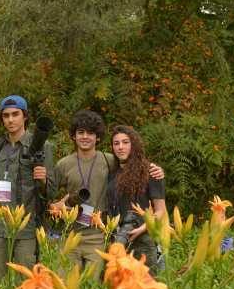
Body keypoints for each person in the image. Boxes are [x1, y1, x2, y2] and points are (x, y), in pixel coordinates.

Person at [52, 110, 163, 278]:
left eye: (90, 133)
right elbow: (48, 196)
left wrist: (157, 170)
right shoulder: (64, 164)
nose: (85, 137)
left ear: (98, 137)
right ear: (73, 136)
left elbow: (159, 207)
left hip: (101, 235)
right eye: (80, 132)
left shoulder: (109, 161)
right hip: (73, 234)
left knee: (102, 286)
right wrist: (60, 205)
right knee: (65, 284)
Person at [0, 95, 55, 282]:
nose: (10, 119)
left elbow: (51, 191)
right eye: (6, 115)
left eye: (15, 114)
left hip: (27, 225)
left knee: (25, 281)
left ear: (24, 116)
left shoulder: (42, 146)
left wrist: (42, 180)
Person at [107, 125, 166, 276]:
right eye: (116, 143)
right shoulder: (112, 174)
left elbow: (160, 211)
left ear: (134, 144)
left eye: (125, 142)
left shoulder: (150, 171)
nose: (120, 147)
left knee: (146, 288)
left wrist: (143, 227)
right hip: (118, 239)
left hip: (143, 239)